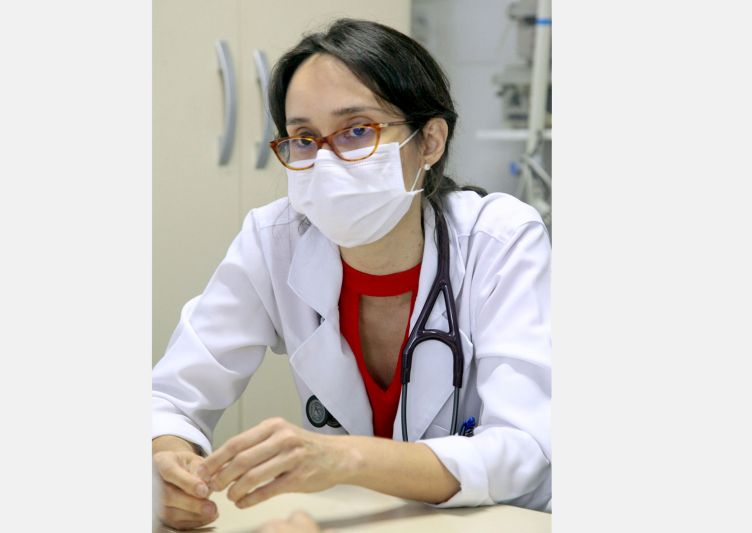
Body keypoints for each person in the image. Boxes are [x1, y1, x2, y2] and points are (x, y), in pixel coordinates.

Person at [151, 18, 551, 531]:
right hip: (360, 519)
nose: (325, 160)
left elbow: (524, 448)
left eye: (357, 130)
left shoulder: (498, 238)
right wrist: (168, 460)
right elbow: (171, 395)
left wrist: (345, 459)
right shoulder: (274, 239)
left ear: (429, 141)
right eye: (303, 138)